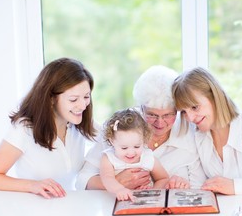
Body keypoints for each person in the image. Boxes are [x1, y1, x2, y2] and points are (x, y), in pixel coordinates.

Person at [76, 65, 207, 190]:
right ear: (141, 108)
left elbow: (199, 186)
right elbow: (82, 180)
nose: (160, 123)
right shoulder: (119, 127)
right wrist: (116, 182)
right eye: (152, 115)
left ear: (177, 110)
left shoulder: (189, 132)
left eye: (168, 115)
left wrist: (184, 185)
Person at [0, 58, 96, 199]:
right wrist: (32, 185)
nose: (83, 105)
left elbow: (118, 139)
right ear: (51, 99)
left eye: (86, 97)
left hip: (69, 209)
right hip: (34, 214)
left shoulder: (79, 123)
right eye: (73, 99)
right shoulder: (24, 129)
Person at [171, 67, 242, 195]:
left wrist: (234, 186)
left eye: (195, 107)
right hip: (223, 214)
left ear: (214, 97)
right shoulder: (197, 135)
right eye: (183, 111)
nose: (190, 118)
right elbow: (201, 186)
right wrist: (181, 183)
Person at [100, 108, 169, 201]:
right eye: (124, 148)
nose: (131, 153)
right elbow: (107, 178)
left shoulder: (147, 157)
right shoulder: (108, 158)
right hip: (116, 200)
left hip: (144, 201)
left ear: (144, 139)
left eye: (137, 146)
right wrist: (119, 189)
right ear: (112, 141)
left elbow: (163, 178)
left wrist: (152, 191)